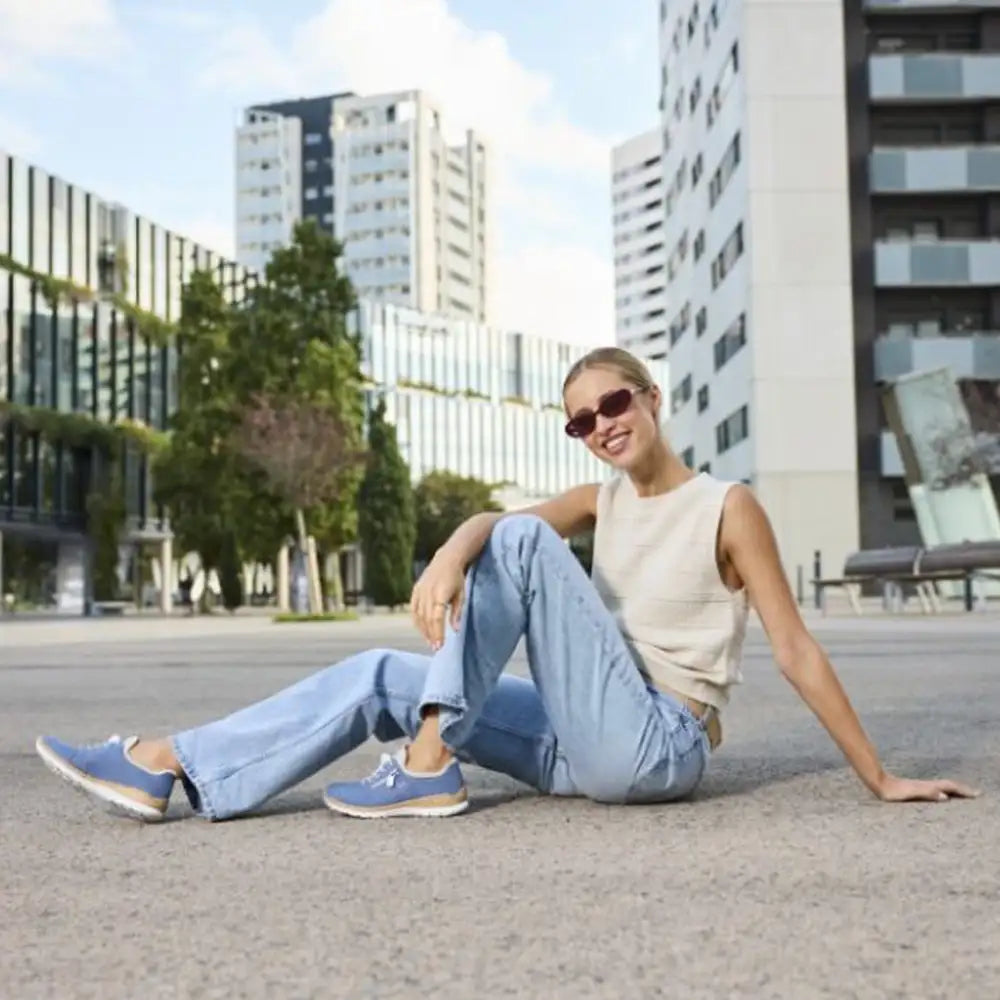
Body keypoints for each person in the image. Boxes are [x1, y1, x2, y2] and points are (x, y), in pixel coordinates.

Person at [35, 347, 979, 822]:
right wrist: (453, 547)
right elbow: (498, 526)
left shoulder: (728, 507)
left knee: (522, 547)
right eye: (582, 421)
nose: (603, 425)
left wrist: (881, 777)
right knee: (375, 673)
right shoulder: (602, 498)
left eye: (615, 403)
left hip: (656, 744)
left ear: (653, 399)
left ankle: (431, 766)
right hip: (577, 737)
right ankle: (174, 769)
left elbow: (795, 648)